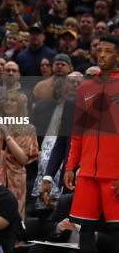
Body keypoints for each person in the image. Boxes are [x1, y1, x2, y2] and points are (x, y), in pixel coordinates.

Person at [64, 34, 119, 252]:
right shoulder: (86, 87)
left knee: (117, 231)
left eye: (108, 51)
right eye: (100, 50)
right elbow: (77, 133)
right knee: (84, 229)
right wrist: (70, 166)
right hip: (86, 173)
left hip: (114, 174)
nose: (102, 55)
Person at [0, 91, 39, 219]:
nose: (8, 103)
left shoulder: (28, 129)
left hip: (15, 181)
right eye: (5, 100)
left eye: (13, 100)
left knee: (12, 221)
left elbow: (23, 159)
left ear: (20, 105)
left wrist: (7, 135)